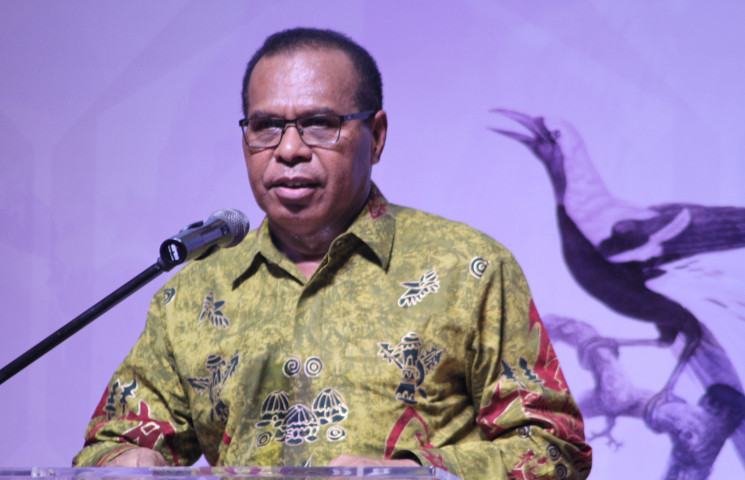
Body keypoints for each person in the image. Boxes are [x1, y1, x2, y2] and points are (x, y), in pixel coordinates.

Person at [73, 27, 592, 478]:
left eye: (319, 123)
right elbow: (111, 444)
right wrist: (125, 462)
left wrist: (422, 475)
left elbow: (555, 448)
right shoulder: (193, 294)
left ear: (377, 136)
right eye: (265, 126)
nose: (289, 149)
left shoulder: (468, 269)